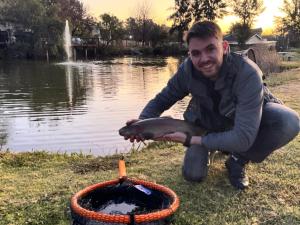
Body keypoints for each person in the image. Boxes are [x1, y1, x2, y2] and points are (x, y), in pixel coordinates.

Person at [124, 21, 299, 190]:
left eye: (210, 49)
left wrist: (190, 140)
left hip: (240, 125)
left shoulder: (247, 73)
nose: (204, 59)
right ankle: (211, 147)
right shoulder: (187, 70)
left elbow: (244, 137)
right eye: (196, 53)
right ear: (190, 54)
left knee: (288, 121)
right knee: (193, 174)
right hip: (206, 125)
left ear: (224, 47)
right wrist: (142, 124)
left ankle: (237, 160)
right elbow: (161, 100)